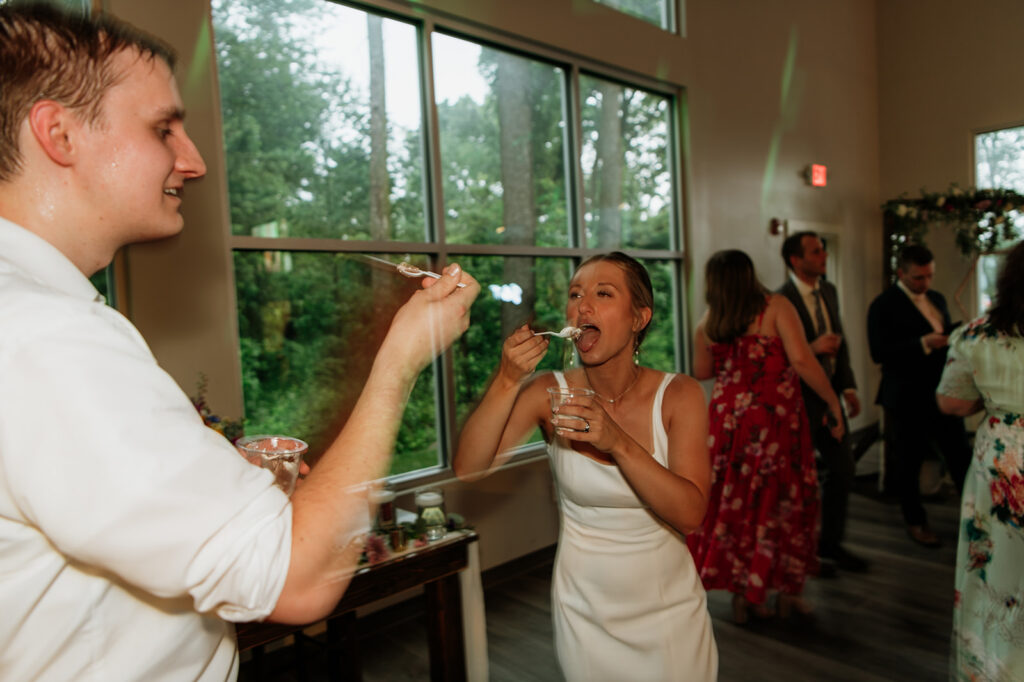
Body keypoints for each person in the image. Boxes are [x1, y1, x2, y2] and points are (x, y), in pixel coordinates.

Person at [0, 5, 478, 680]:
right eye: (164, 127)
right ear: (59, 133)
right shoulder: (46, 338)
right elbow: (299, 581)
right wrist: (400, 360)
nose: (192, 161)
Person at [454, 252, 718, 681]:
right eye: (576, 294)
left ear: (638, 318)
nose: (582, 306)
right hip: (584, 611)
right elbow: (469, 466)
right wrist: (506, 379)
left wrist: (617, 443)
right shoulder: (548, 392)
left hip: (668, 612)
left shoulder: (680, 395)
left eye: (603, 294)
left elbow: (690, 515)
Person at [687, 249, 844, 623]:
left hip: (729, 424)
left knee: (738, 505)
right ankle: (787, 593)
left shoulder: (708, 322)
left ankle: (746, 596)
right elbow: (803, 360)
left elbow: (702, 370)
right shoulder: (776, 307)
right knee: (781, 502)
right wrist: (832, 402)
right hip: (774, 421)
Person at [936, 241, 1024, 681]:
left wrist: (990, 403)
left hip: (1002, 459)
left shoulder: (976, 334)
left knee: (993, 568)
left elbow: (951, 402)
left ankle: (994, 668)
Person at [867, 244, 971, 547]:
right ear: (901, 273)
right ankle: (915, 521)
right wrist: (923, 344)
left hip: (942, 393)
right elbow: (878, 352)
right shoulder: (883, 304)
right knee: (908, 463)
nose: (925, 283)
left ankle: (974, 519)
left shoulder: (936, 299)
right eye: (917, 278)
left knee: (960, 456)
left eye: (929, 276)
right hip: (907, 396)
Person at [778, 231, 868, 575]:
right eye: (816, 251)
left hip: (830, 400)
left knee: (843, 469)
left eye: (824, 250)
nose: (824, 256)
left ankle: (830, 545)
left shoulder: (828, 290)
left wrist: (847, 387)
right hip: (796, 402)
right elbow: (776, 356)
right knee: (798, 482)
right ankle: (800, 556)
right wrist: (810, 349)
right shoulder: (780, 300)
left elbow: (839, 343)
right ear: (796, 260)